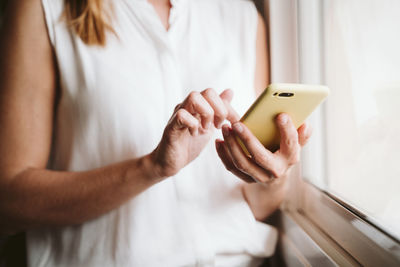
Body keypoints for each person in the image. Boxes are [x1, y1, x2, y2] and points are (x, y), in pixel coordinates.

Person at [0, 0, 311, 266]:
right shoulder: (44, 8)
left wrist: (270, 176)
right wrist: (151, 168)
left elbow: (256, 206)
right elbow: (10, 200)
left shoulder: (242, 17)